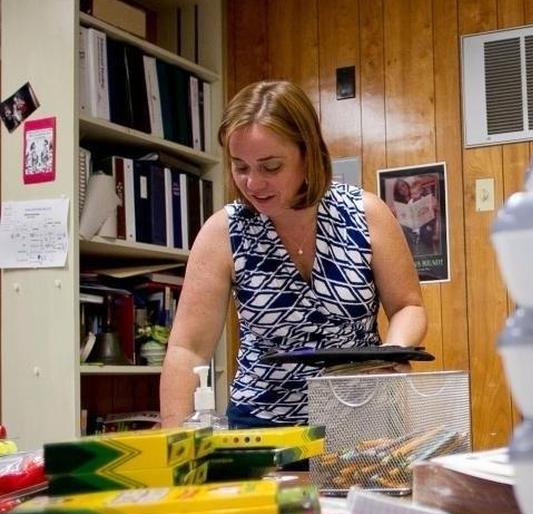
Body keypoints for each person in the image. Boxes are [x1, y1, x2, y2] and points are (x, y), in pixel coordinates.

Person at [159, 80, 427, 428]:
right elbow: (188, 350)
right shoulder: (223, 232)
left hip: (361, 419)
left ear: (308, 154)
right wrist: (174, 445)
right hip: (262, 428)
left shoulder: (366, 214)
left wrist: (393, 351)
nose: (253, 183)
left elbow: (409, 306)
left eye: (271, 167)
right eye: (241, 167)